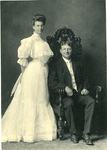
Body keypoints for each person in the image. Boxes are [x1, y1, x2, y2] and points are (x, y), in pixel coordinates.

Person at [2, 14, 57, 142]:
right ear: (33, 26)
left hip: (43, 74)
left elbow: (46, 60)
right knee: (30, 100)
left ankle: (41, 133)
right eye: (37, 25)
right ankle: (28, 134)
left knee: (42, 99)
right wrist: (24, 76)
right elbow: (23, 60)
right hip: (32, 74)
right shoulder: (28, 41)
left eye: (42, 25)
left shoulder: (44, 42)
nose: (40, 28)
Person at [48, 28, 95, 145]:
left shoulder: (78, 63)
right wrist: (64, 87)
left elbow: (86, 78)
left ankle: (86, 133)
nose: (67, 51)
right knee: (69, 104)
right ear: (60, 50)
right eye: (64, 49)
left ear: (72, 49)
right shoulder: (56, 65)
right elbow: (52, 83)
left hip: (79, 93)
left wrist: (85, 88)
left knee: (91, 101)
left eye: (69, 49)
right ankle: (73, 133)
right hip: (65, 96)